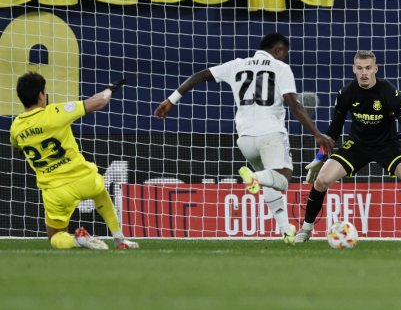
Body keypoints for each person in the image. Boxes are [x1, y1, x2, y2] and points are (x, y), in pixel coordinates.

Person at [154, 33, 335, 243]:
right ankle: (254, 178)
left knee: (269, 181)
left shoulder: (236, 65)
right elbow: (294, 105)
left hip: (245, 138)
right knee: (283, 179)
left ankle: (286, 230)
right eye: (284, 53)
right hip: (271, 134)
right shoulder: (280, 68)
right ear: (278, 49)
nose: (284, 57)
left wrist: (171, 100)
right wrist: (317, 134)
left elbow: (200, 75)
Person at [294, 50, 401, 243]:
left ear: (376, 68)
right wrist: (320, 156)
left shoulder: (389, 92)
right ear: (354, 69)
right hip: (357, 145)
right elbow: (334, 130)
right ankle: (305, 229)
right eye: (360, 68)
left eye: (368, 68)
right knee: (321, 181)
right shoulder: (346, 93)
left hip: (388, 145)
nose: (364, 73)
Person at [9, 72, 139, 250]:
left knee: (55, 236)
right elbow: (99, 102)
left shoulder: (15, 127)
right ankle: (119, 238)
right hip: (83, 178)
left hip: (55, 190)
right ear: (41, 95)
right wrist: (110, 89)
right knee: (100, 191)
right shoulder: (55, 112)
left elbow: (17, 149)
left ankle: (76, 241)